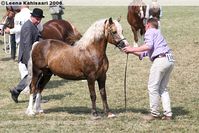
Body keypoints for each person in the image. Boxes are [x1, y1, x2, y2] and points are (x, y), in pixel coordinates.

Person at [122, 18, 175, 121]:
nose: (145, 28)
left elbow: (148, 46)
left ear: (148, 25)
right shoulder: (158, 34)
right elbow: (144, 53)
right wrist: (130, 50)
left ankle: (154, 114)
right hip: (169, 60)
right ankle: (168, 114)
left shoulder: (150, 31)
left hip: (160, 60)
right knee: (163, 88)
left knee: (152, 87)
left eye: (145, 26)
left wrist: (132, 48)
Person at [9, 8, 44, 103]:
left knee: (31, 76)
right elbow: (27, 45)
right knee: (34, 76)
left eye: (40, 19)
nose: (38, 21)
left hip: (30, 55)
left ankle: (16, 91)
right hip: (27, 55)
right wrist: (31, 60)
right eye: (37, 19)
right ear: (31, 17)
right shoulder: (28, 27)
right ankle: (33, 97)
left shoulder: (32, 25)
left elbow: (38, 38)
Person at [5, 5, 43, 79]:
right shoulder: (35, 14)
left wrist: (10, 30)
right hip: (36, 45)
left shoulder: (19, 15)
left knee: (23, 66)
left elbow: (20, 29)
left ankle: (26, 85)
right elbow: (41, 28)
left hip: (23, 44)